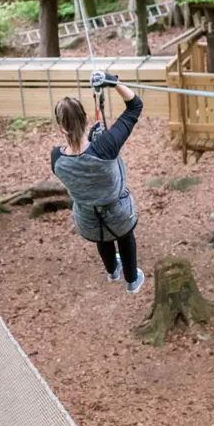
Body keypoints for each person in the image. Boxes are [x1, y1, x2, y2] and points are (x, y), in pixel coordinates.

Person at [51, 71, 145, 294]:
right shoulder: (106, 146)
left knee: (102, 238)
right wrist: (113, 82)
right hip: (118, 212)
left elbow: (81, 159)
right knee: (124, 237)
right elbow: (135, 107)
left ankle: (112, 271)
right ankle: (132, 281)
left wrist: (95, 139)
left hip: (88, 218)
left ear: (60, 129)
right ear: (85, 120)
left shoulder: (56, 158)